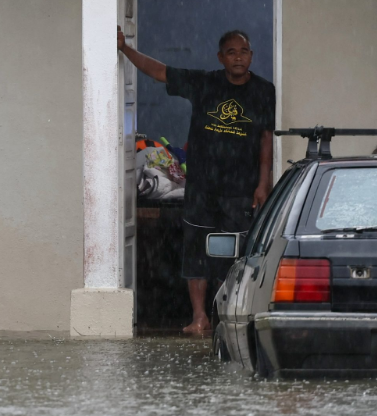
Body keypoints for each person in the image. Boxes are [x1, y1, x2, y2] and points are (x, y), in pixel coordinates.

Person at [118, 27, 275, 334]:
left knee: (237, 252)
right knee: (197, 252)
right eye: (231, 52)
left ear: (251, 57)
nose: (238, 58)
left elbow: (265, 138)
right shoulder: (205, 83)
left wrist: (262, 183)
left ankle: (230, 314)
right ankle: (199, 317)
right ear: (221, 57)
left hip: (240, 189)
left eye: (243, 52)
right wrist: (126, 50)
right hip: (202, 187)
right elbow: (161, 71)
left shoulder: (264, 90)